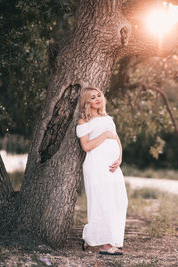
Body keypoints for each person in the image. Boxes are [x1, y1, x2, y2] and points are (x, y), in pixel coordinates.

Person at [75, 87, 128, 255]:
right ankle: (105, 245)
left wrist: (119, 158)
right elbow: (86, 146)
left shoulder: (107, 118)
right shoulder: (83, 122)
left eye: (99, 95)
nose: (97, 98)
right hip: (96, 165)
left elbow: (117, 138)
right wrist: (105, 135)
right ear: (86, 102)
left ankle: (92, 236)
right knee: (102, 203)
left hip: (112, 166)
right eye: (92, 97)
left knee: (119, 201)